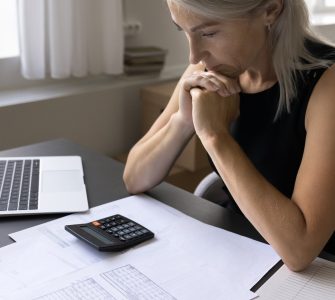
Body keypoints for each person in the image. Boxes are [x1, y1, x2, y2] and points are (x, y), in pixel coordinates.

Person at [123, 0, 335, 271]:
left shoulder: (327, 85)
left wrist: (214, 136)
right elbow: (134, 176)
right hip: (240, 247)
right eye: (183, 31)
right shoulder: (211, 69)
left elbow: (300, 249)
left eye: (208, 33)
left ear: (270, 9)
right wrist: (184, 120)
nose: (194, 56)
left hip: (320, 270)